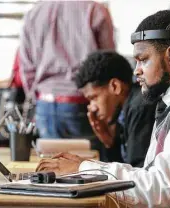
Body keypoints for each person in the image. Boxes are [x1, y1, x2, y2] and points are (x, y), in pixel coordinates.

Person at [36, 10, 170, 207]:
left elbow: (159, 189)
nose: (136, 71)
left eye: (143, 60)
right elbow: (149, 175)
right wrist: (88, 167)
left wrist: (84, 169)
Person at [19, 1, 115, 142]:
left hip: (45, 103)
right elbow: (109, 62)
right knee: (87, 161)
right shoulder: (95, 10)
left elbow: (27, 67)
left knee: (51, 162)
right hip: (83, 102)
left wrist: (36, 97)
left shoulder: (33, 13)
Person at [74, 51, 156, 167]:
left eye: (94, 98)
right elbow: (123, 170)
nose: (92, 108)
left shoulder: (139, 108)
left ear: (115, 86)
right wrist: (109, 143)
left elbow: (137, 172)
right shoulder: (121, 114)